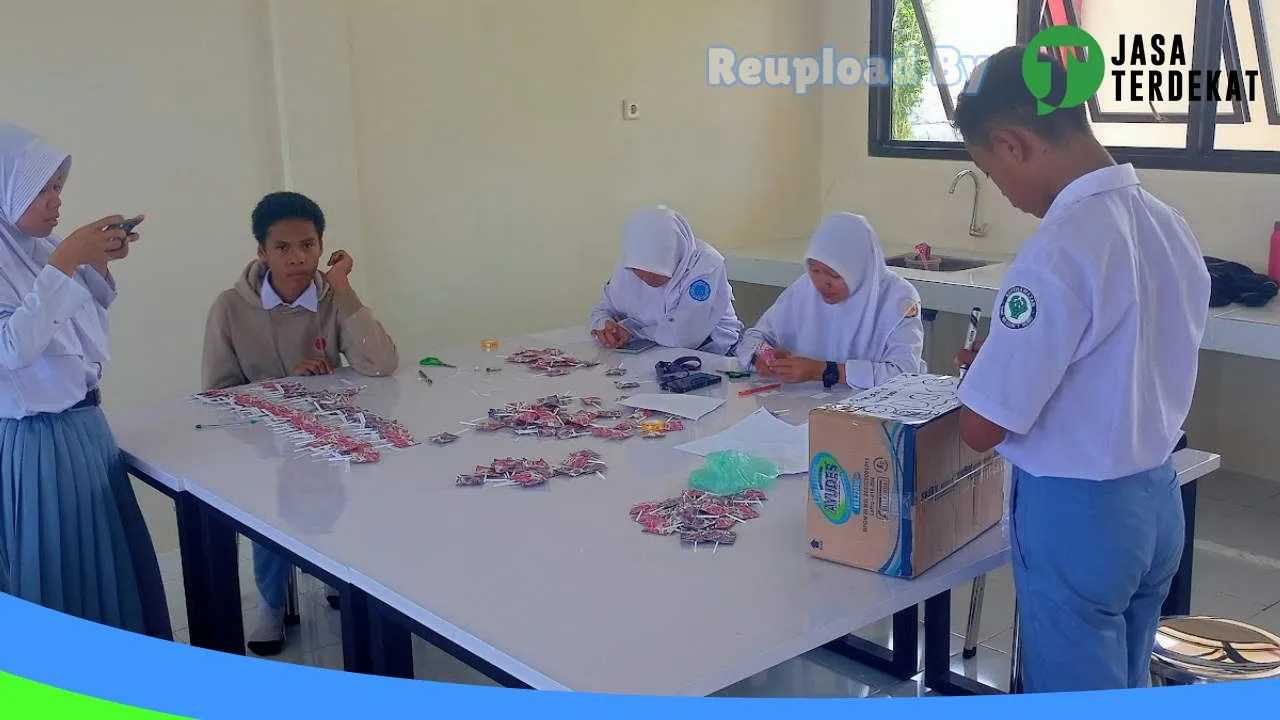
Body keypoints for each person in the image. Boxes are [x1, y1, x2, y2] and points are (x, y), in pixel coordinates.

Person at [949, 47, 1210, 693]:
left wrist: (985, 380)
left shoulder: (1061, 246)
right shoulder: (1168, 223)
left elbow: (982, 428)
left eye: (990, 170)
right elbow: (1118, 357)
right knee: (1124, 680)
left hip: (1079, 515)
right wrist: (1011, 360)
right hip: (1155, 499)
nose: (1004, 195)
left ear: (1012, 143)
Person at [201, 190, 398, 656]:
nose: (298, 258)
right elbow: (215, 393)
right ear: (262, 252)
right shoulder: (230, 307)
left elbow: (381, 362)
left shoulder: (332, 298)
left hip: (332, 436)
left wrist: (345, 288)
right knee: (269, 509)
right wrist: (287, 386)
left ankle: (337, 577)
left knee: (357, 491)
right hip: (263, 441)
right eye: (284, 248)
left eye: (308, 245)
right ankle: (271, 602)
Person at [0, 124, 171, 640]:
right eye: (44, 188)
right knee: (61, 573)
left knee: (107, 570)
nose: (56, 202)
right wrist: (65, 263)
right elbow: (13, 349)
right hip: (40, 441)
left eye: (59, 187)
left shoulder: (41, 247)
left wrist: (90, 263)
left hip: (84, 429)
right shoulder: (39, 254)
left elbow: (83, 344)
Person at [734, 212, 926, 392]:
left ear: (858, 270)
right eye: (815, 270)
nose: (822, 283)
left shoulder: (898, 299)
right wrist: (763, 356)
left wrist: (824, 371)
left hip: (874, 412)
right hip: (804, 406)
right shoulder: (805, 289)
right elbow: (753, 337)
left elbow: (904, 374)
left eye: (834, 275)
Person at [590, 206, 744, 355]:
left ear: (674, 257)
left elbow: (682, 337)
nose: (647, 278)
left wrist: (629, 330)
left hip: (712, 353)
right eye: (639, 272)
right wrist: (605, 326)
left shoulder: (706, 265)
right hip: (652, 352)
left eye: (656, 270)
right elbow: (602, 309)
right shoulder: (629, 265)